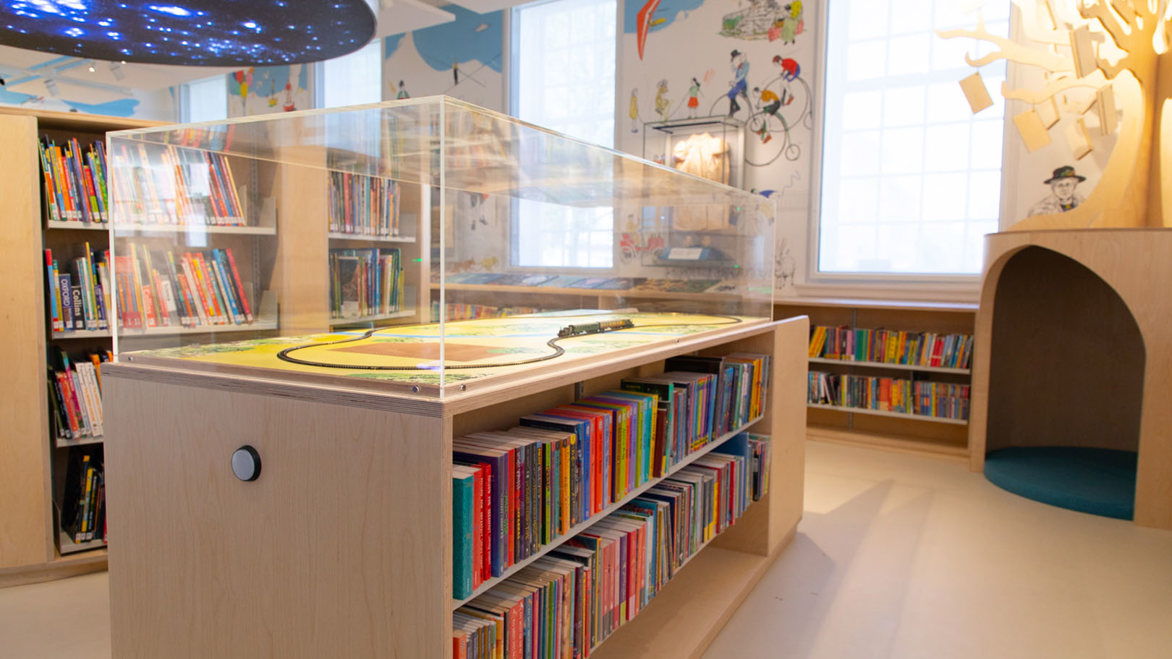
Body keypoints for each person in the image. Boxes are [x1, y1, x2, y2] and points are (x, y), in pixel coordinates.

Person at [727, 49, 750, 116]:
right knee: (732, 95)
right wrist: (731, 62)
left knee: (730, 93)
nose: (740, 59)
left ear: (745, 57)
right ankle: (733, 110)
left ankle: (736, 108)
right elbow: (734, 70)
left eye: (741, 57)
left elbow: (743, 75)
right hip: (738, 83)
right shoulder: (740, 65)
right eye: (740, 57)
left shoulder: (746, 64)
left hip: (742, 83)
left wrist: (735, 81)